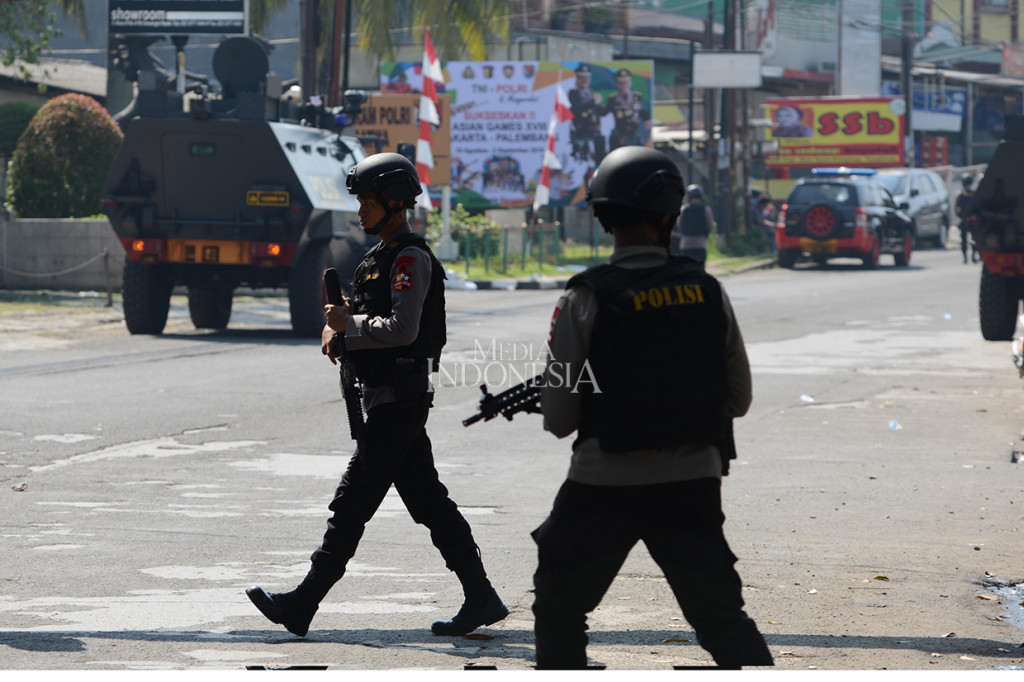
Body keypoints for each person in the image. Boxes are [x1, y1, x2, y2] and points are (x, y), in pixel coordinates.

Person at [246, 153, 508, 639]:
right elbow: (365, 323)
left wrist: (351, 327)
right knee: (431, 504)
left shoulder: (409, 258)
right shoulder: (377, 258)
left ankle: (302, 603)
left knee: (351, 504)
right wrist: (338, 332)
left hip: (399, 401)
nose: (360, 211)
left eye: (368, 201)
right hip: (385, 400)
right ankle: (481, 596)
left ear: (394, 202)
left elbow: (403, 329)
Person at [532, 146, 773, 670]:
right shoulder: (708, 291)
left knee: (558, 607)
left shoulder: (584, 298)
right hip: (693, 482)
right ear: (671, 217)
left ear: (602, 217)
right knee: (721, 618)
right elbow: (739, 399)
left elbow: (559, 421)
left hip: (602, 484)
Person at [603, 68, 651, 150]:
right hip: (620, 136)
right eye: (621, 83)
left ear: (630, 83)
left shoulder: (637, 96)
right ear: (618, 84)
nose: (624, 85)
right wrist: (595, 103)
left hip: (634, 134)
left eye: (626, 82)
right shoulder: (613, 98)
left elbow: (643, 111)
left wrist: (647, 120)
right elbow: (603, 113)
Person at [568, 64, 606, 164]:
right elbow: (580, 107)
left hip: (592, 131)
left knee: (596, 159)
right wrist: (594, 101)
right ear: (577, 78)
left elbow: (596, 111)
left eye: (587, 77)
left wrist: (598, 122)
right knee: (581, 160)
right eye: (582, 77)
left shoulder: (591, 92)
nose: (585, 80)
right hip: (580, 132)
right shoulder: (573, 92)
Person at [673, 184, 715, 262]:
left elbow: (679, 225)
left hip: (685, 244)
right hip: (700, 243)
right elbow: (710, 226)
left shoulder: (684, 209)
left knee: (686, 269)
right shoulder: (706, 209)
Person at [955, 173, 980, 264]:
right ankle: (973, 256)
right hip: (973, 220)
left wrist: (961, 217)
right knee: (974, 238)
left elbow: (956, 209)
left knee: (964, 239)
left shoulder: (960, 194)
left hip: (964, 220)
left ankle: (966, 257)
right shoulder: (974, 194)